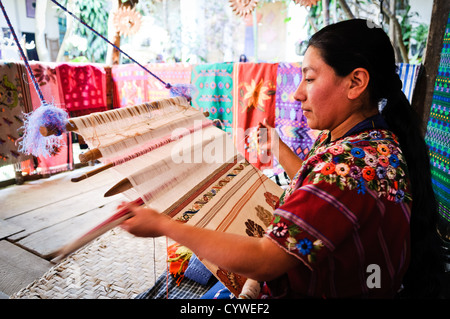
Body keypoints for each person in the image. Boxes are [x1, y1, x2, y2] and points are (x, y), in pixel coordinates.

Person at [119, 19, 444, 298]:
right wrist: (276, 146)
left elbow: (265, 260)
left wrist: (165, 224)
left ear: (356, 82)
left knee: (203, 276)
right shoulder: (373, 141)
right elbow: (316, 186)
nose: (297, 92)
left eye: (311, 78)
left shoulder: (349, 167)